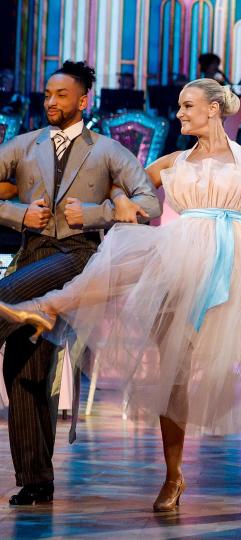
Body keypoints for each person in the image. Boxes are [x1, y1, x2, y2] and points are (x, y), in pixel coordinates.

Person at [0, 78, 241, 512]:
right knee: (174, 368)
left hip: (226, 256)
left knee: (204, 365)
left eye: (189, 106)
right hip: (179, 250)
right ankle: (172, 474)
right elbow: (127, 185)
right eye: (181, 107)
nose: (181, 114)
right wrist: (120, 204)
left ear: (213, 110)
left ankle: (52, 304)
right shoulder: (173, 160)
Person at [0, 61, 161, 506]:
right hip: (30, 254)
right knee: (24, 368)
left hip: (76, 258)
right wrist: (16, 214)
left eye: (61, 95)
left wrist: (96, 214)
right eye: (47, 94)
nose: (51, 102)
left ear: (83, 100)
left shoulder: (106, 150)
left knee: (4, 298)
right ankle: (36, 481)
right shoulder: (23, 145)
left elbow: (148, 200)